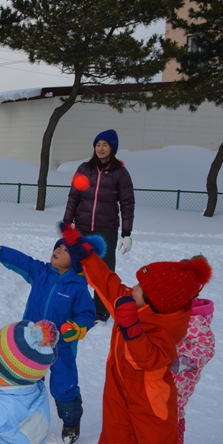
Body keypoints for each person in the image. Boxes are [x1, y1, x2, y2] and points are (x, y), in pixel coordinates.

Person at [60, 224, 223, 444]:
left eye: (139, 286)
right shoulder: (131, 301)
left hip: (151, 402)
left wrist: (131, 327)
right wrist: (83, 251)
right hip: (119, 393)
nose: (132, 287)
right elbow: (106, 281)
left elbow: (148, 359)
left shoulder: (165, 329)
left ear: (155, 301)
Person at [0, 235, 97, 444]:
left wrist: (79, 328)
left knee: (64, 384)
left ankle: (71, 419)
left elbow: (86, 314)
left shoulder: (77, 287)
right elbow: (21, 260)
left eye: (65, 250)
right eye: (58, 246)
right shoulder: (41, 272)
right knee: (26, 378)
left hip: (61, 346)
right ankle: (24, 413)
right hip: (32, 341)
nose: (58, 250)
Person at [63, 129, 135, 323]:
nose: (101, 148)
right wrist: (67, 222)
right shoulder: (84, 169)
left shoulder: (120, 173)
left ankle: (100, 313)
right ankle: (77, 307)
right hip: (82, 227)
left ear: (112, 148)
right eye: (98, 144)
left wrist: (126, 232)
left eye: (105, 144)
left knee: (103, 272)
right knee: (78, 268)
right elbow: (74, 196)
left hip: (106, 230)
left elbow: (127, 203)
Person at [171, 298, 215, 444]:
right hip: (163, 368)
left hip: (182, 375)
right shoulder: (169, 309)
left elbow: (206, 346)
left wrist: (184, 362)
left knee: (172, 409)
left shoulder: (194, 318)